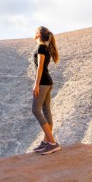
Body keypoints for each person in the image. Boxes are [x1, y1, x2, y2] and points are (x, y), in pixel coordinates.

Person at [31, 26, 61, 154]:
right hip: (47, 82)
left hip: (43, 82)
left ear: (38, 34)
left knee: (36, 110)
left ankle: (52, 143)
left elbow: (40, 68)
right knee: (46, 110)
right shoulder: (45, 47)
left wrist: (36, 84)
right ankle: (46, 142)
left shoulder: (41, 48)